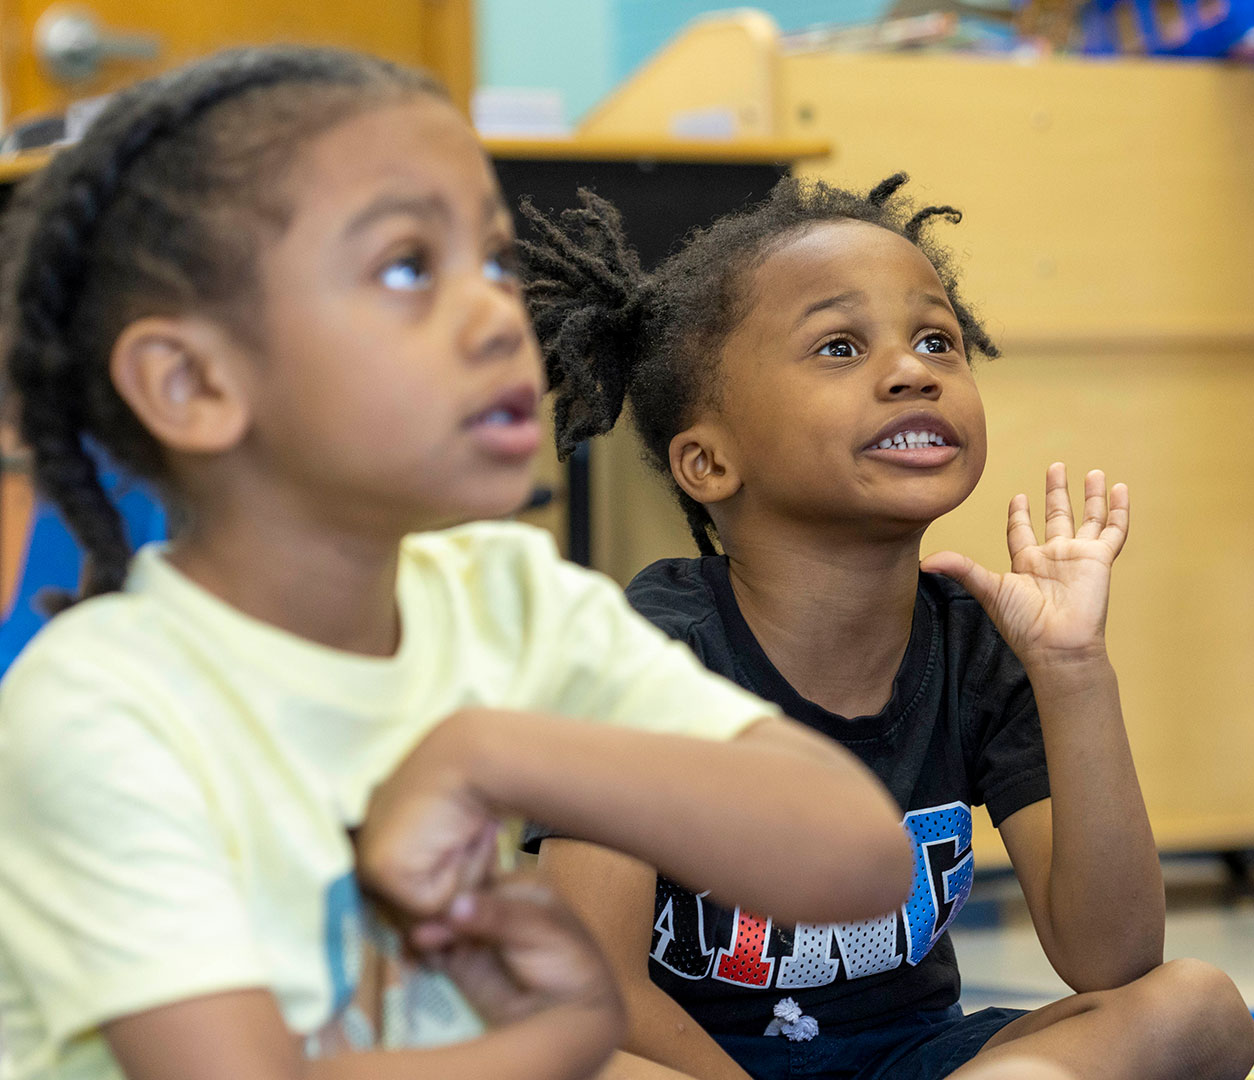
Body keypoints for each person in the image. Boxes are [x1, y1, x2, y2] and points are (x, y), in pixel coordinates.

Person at [0, 46, 914, 1080]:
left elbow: (859, 857)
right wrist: (559, 1037)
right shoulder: (101, 707)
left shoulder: (511, 601)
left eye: (493, 265)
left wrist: (490, 752)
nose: (493, 317)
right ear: (192, 383)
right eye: (405, 268)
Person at [517, 175, 1254, 1080]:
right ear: (709, 461)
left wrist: (1073, 670)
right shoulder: (637, 655)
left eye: (937, 340)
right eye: (838, 346)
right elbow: (591, 989)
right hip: (688, 1065)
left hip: (914, 1062)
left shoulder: (979, 643)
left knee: (1198, 1007)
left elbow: (1111, 959)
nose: (913, 370)